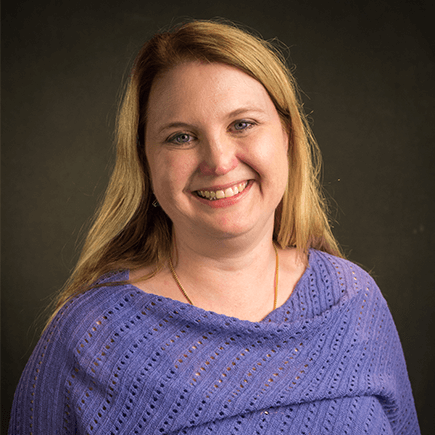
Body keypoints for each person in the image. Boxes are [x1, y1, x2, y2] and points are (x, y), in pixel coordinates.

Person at [9, 20, 420, 434]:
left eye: (242, 124)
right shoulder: (87, 341)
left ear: (288, 137)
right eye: (181, 137)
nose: (219, 162)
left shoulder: (354, 300)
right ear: (146, 162)